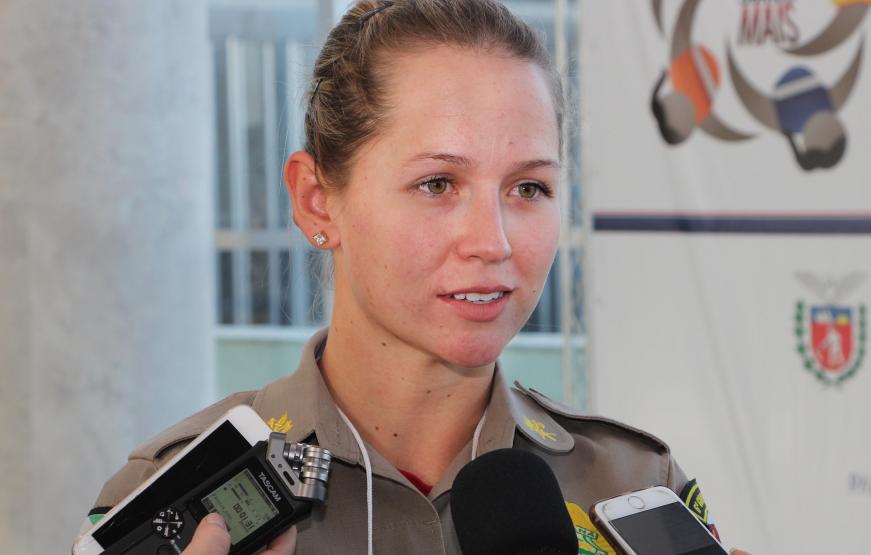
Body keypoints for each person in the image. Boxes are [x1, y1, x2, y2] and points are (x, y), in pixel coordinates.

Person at [76, 1, 750, 553]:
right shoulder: (173, 505)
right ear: (316, 200)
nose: (492, 241)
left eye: (529, 188)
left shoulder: (632, 486)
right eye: (436, 182)